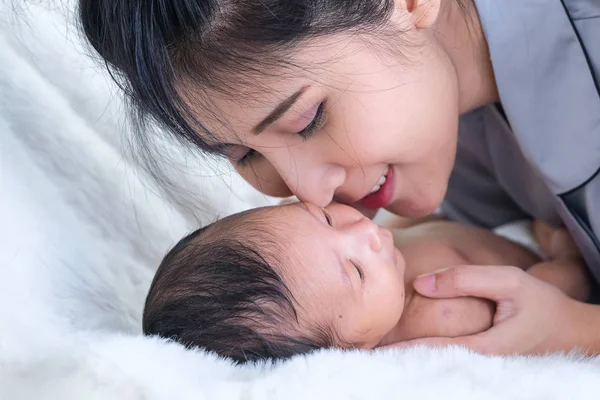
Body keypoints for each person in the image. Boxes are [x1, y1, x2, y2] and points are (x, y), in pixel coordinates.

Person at [80, 0, 600, 355]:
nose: (307, 193)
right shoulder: (436, 143)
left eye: (308, 119)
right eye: (243, 155)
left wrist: (579, 330)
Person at [143, 202, 590, 363]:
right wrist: (565, 260)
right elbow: (536, 308)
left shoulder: (384, 277)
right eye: (355, 271)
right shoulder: (441, 316)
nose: (364, 234)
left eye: (325, 216)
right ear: (352, 351)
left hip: (504, 222)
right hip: (551, 261)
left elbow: (426, 223)